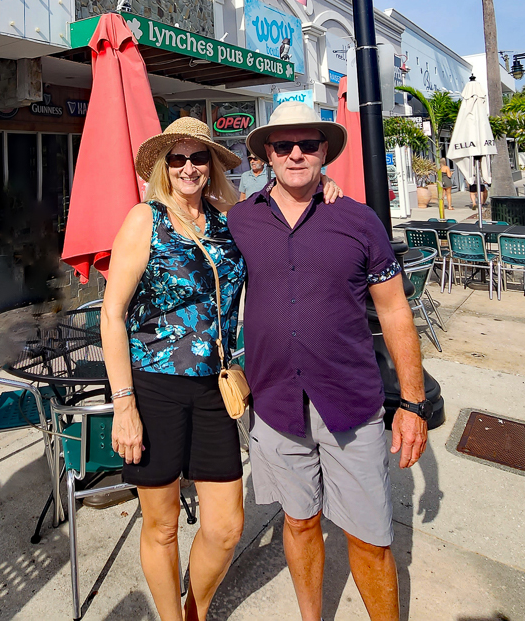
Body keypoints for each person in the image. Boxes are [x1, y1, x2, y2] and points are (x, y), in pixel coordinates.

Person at [227, 101, 430, 621]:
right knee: (298, 522)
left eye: (308, 144)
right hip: (275, 403)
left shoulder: (358, 219)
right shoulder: (240, 220)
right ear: (265, 154)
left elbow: (395, 312)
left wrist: (412, 402)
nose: (295, 154)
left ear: (325, 152)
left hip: (349, 403)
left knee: (370, 538)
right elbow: (185, 209)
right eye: (282, 145)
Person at [102, 118, 247, 621]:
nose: (189, 167)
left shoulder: (230, 221)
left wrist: (325, 186)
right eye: (178, 158)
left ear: (212, 165)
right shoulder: (145, 219)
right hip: (155, 388)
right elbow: (112, 314)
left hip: (216, 389)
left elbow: (286, 209)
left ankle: (195, 607)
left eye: (199, 157)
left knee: (226, 526)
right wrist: (124, 405)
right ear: (165, 166)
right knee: (162, 526)